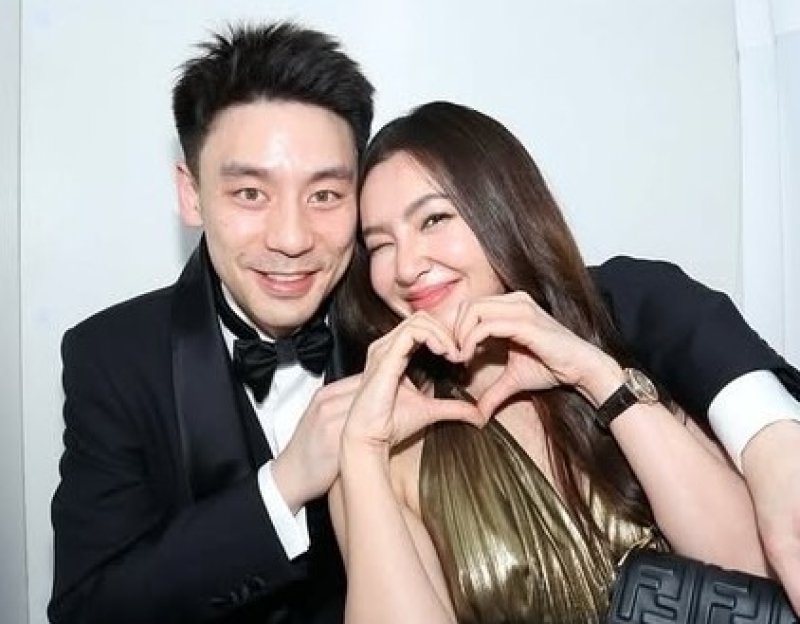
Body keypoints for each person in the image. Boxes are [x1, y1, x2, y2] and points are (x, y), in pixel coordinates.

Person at [48, 22, 800, 624]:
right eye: (250, 193)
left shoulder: (411, 313)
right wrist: (285, 485)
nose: (291, 236)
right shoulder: (113, 358)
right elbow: (90, 608)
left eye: (325, 195)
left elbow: (633, 297)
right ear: (191, 192)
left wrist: (768, 431)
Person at [328, 100, 789, 623]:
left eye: (434, 219)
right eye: (380, 245)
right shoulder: (385, 446)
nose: (407, 267)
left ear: (501, 209)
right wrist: (361, 451)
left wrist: (596, 376)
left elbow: (751, 573)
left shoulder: (631, 347)